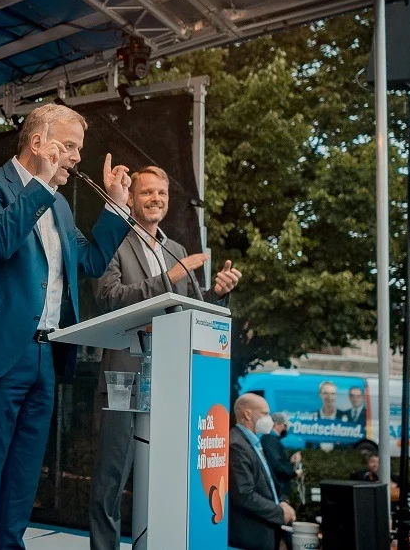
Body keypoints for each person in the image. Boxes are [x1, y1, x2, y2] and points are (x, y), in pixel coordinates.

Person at [0, 103, 132, 549]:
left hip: (45, 357)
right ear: (38, 143)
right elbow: (0, 241)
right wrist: (41, 183)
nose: (77, 158)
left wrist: (117, 208)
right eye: (69, 147)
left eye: (79, 149)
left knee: (22, 485)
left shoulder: (59, 206)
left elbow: (92, 260)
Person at [87, 165, 241, 550]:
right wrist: (169, 277)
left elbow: (189, 308)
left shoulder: (175, 249)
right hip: (125, 372)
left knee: (166, 469)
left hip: (172, 375)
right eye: (146, 193)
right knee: (113, 473)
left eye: (162, 194)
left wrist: (217, 294)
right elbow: (108, 299)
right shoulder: (115, 241)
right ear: (132, 198)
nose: (155, 199)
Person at [228, 393, 296, 550]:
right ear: (248, 414)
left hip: (266, 530)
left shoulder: (254, 442)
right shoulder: (237, 445)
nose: (269, 420)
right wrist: (279, 512)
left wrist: (282, 501)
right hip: (252, 535)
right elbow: (244, 494)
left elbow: (268, 481)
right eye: (265, 414)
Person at [259, 413, 300, 501]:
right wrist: (294, 473)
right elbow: (276, 465)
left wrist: (290, 461)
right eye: (284, 425)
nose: (286, 428)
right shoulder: (270, 440)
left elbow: (276, 461)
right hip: (277, 489)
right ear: (276, 424)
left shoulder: (271, 440)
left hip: (277, 488)